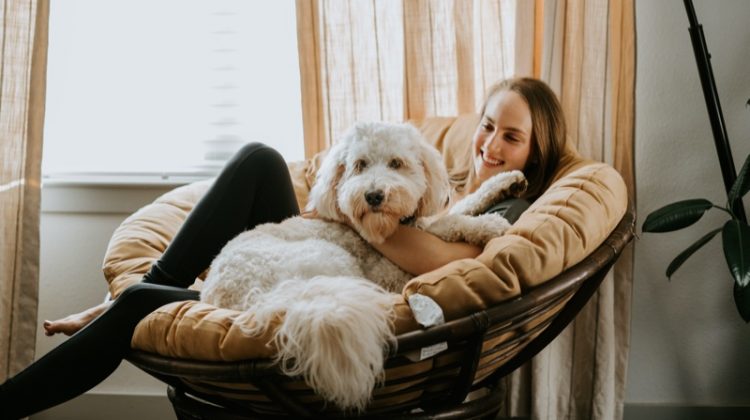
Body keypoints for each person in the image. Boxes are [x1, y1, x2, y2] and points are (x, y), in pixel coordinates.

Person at [0, 77, 566, 419]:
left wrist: (365, 210)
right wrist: (341, 204)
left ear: (535, 154)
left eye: (511, 137)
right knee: (260, 160)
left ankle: (134, 299)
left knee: (138, 305)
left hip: (352, 275)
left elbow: (447, 263)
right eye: (489, 126)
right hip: (322, 251)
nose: (490, 144)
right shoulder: (445, 178)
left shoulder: (509, 205)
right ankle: (158, 281)